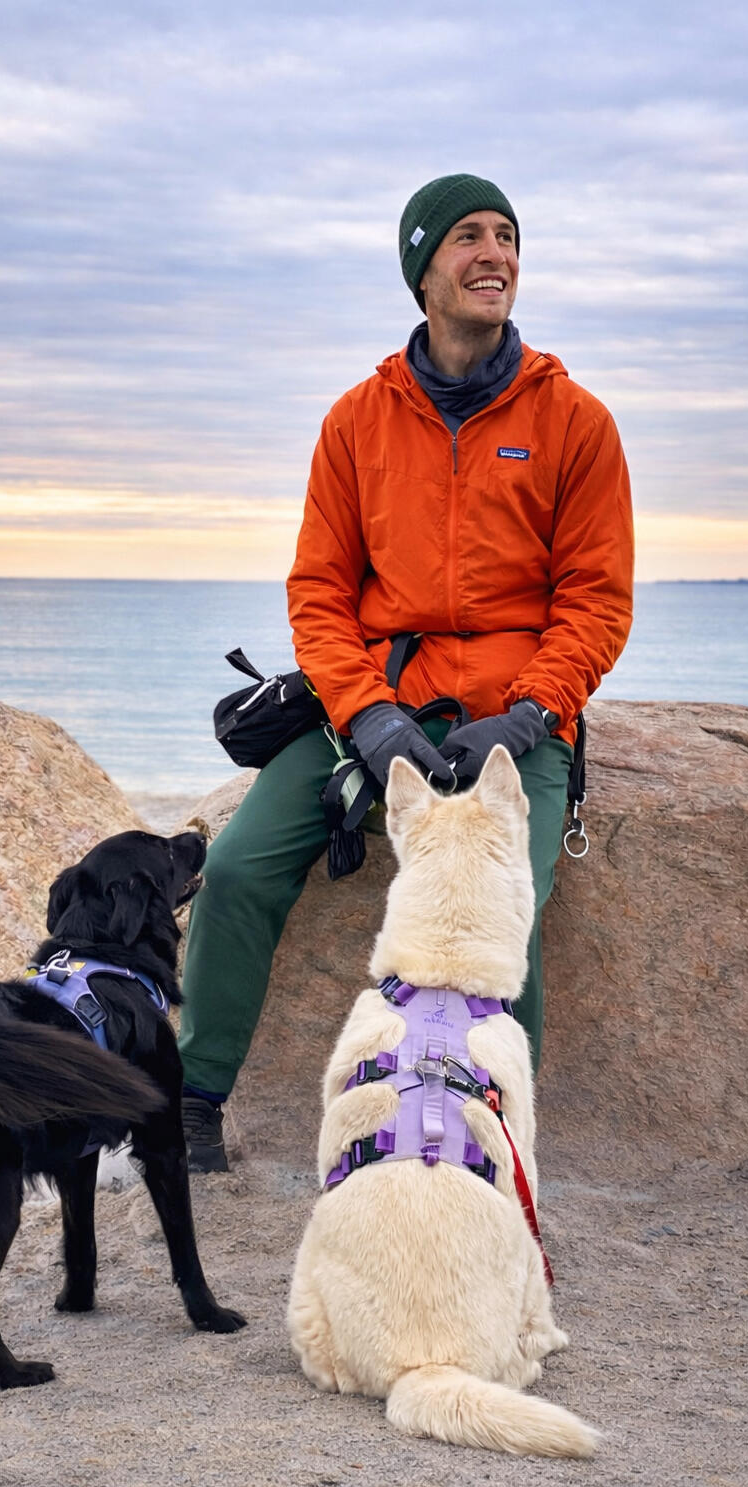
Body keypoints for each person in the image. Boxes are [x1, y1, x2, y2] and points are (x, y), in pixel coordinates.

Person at [178, 174, 634, 1172]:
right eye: (468, 236)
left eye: (508, 237)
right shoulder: (356, 420)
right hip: (380, 707)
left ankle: (496, 1137)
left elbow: (597, 603)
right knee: (239, 867)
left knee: (504, 905)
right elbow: (318, 595)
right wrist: (368, 717)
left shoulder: (576, 422)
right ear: (421, 270)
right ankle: (193, 1102)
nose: (495, 255)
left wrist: (524, 718)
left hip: (512, 720)